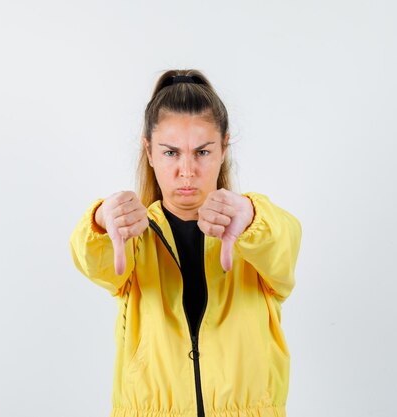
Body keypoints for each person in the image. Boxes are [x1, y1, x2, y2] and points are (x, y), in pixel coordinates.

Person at [69, 69, 302, 417]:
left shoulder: (256, 234)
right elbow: (93, 260)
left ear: (224, 147)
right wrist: (102, 220)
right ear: (149, 151)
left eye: (203, 152)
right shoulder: (134, 238)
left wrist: (251, 216)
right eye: (171, 153)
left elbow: (284, 241)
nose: (187, 170)